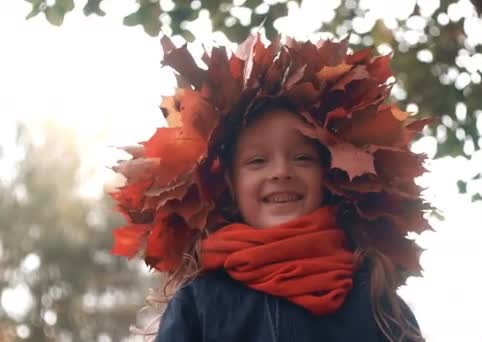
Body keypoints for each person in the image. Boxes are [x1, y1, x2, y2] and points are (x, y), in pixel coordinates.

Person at [109, 33, 433, 342]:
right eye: (257, 161)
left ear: (329, 176)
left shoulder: (377, 301)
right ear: (231, 187)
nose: (281, 171)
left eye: (303, 157)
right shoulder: (199, 303)